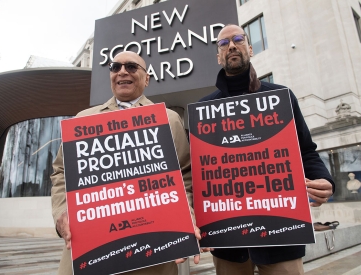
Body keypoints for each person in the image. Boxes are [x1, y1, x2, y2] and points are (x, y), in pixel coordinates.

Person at [199, 24, 335, 275]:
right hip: (228, 243)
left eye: (238, 39)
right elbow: (200, 172)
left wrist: (324, 180)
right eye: (223, 43)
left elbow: (306, 150)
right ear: (218, 56)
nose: (231, 45)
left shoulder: (281, 97)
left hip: (281, 237)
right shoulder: (203, 110)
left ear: (249, 48)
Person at [51, 51, 200, 275]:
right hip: (91, 251)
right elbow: (61, 172)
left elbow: (185, 173)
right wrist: (62, 212)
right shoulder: (83, 120)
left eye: (131, 67)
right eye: (115, 67)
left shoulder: (169, 119)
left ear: (147, 78)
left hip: (153, 252)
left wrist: (185, 211)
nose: (122, 71)